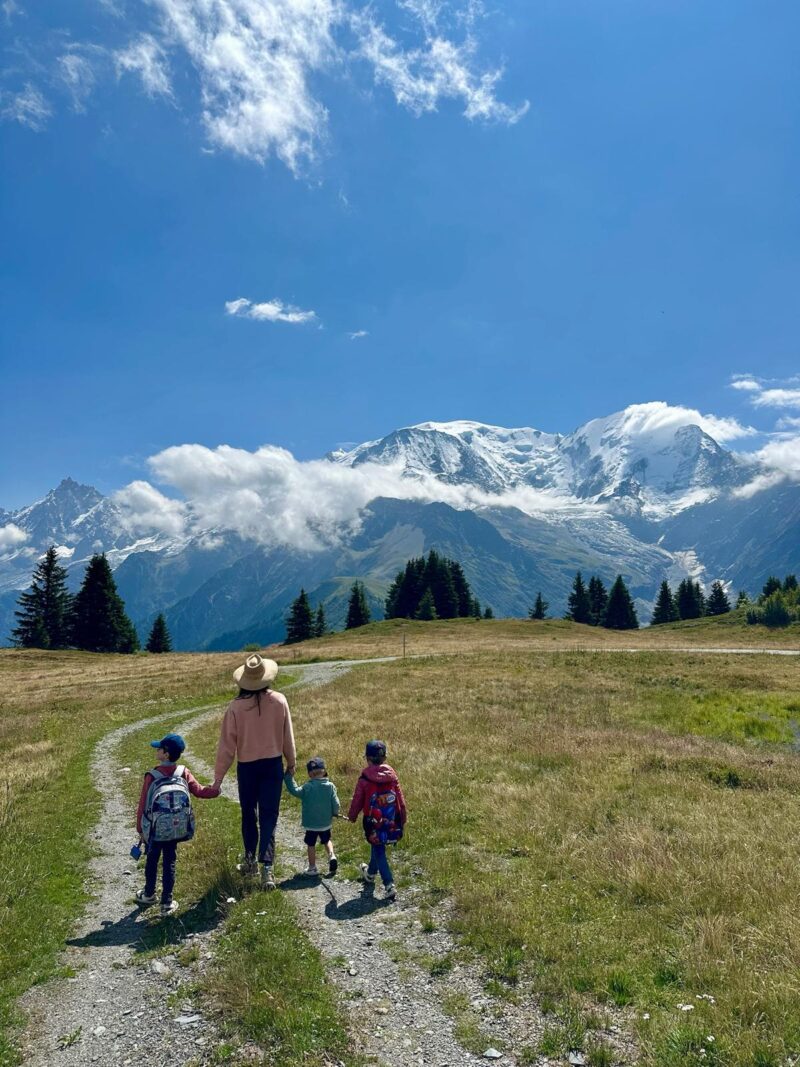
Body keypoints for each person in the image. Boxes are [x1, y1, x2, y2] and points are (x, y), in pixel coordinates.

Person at [212, 654, 296, 890]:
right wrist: (291, 761)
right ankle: (267, 867)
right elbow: (286, 735)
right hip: (272, 766)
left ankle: (251, 861)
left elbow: (226, 746)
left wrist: (218, 778)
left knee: (249, 814)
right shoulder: (279, 701)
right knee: (270, 815)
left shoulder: (235, 708)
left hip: (247, 768)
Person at [135, 732, 219, 916]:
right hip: (176, 827)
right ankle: (167, 902)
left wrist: (140, 828)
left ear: (165, 754)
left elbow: (143, 803)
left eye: (159, 748)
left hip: (156, 828)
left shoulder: (152, 775)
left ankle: (148, 894)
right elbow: (199, 791)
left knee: (152, 858)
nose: (156, 750)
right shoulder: (183, 772)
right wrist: (216, 790)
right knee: (170, 861)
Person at [347, 739, 407, 902]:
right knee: (377, 845)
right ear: (384, 757)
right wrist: (403, 818)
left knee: (378, 848)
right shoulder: (392, 777)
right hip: (391, 820)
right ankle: (371, 873)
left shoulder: (365, 778)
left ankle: (389, 884)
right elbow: (400, 799)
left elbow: (357, 800)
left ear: (367, 758)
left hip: (373, 822)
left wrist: (352, 816)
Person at [284, 756, 341, 877]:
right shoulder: (330, 786)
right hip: (325, 822)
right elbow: (336, 803)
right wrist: (335, 812)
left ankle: (312, 867)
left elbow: (294, 790)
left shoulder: (307, 787)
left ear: (310, 774)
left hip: (311, 824)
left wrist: (289, 778)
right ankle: (332, 855)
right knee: (327, 840)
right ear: (324, 771)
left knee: (311, 845)